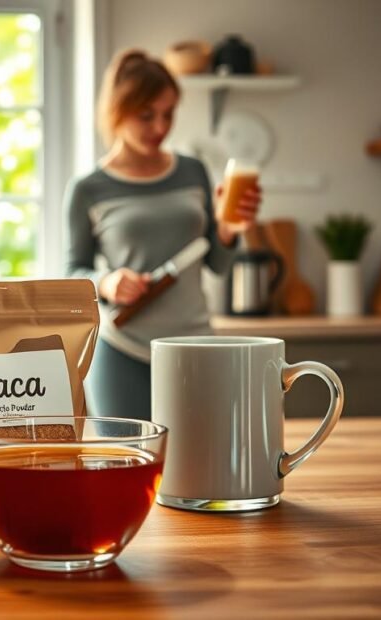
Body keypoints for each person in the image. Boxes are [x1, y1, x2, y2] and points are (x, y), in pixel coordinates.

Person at [65, 48, 262, 421]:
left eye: (169, 114)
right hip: (122, 351)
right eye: (146, 115)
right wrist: (107, 282)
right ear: (117, 111)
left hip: (197, 347)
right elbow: (73, 273)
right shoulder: (87, 189)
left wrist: (227, 229)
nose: (160, 127)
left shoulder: (192, 172)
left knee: (204, 456)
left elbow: (217, 265)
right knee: (127, 458)